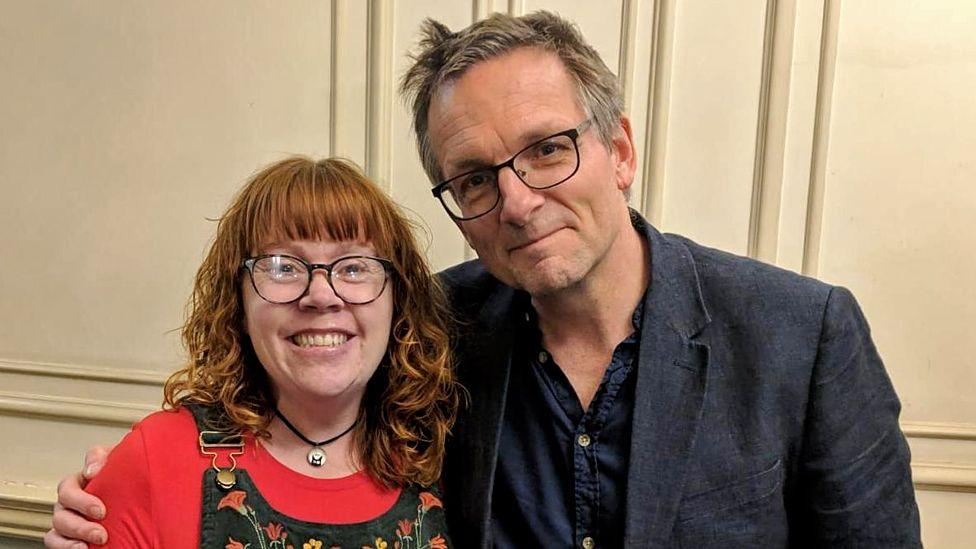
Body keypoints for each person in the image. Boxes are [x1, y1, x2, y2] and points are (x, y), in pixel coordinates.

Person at [48, 11, 921, 549]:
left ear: (618, 149)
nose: (517, 199)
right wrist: (108, 499)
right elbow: (285, 407)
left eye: (547, 148)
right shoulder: (435, 328)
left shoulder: (800, 337)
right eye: (474, 176)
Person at [46, 156, 458, 548]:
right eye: (283, 266)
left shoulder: (450, 455)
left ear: (397, 298)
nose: (320, 295)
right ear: (237, 300)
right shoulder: (155, 461)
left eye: (353, 267)